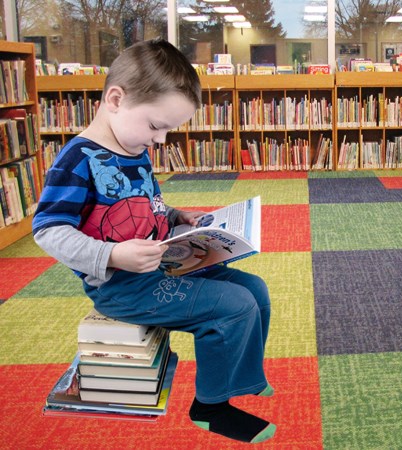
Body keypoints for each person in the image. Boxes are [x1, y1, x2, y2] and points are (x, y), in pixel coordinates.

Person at [32, 38, 275, 444]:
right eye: (156, 126)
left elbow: (142, 204)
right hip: (122, 288)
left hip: (163, 264)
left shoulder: (132, 144)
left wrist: (176, 215)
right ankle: (210, 408)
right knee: (232, 308)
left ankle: (242, 378)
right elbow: (48, 230)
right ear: (115, 99)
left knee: (256, 290)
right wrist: (111, 254)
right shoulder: (77, 160)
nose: (161, 141)